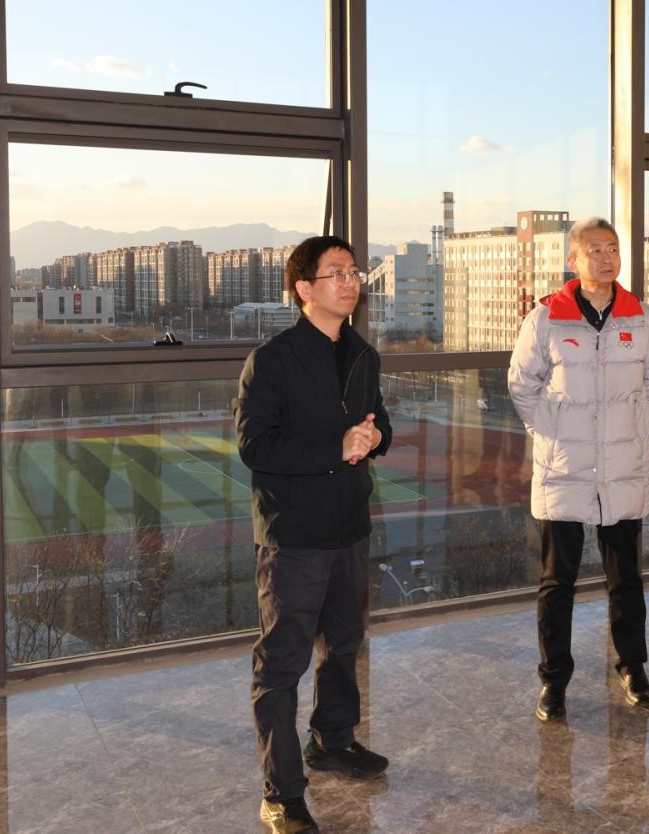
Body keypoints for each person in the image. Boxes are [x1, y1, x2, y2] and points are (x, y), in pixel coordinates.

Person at [235, 235, 393, 833]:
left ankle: (333, 740)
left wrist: (375, 437)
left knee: (344, 645)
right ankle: (281, 792)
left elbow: (381, 423)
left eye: (354, 272)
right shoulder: (272, 360)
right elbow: (256, 446)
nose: (351, 282)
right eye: (336, 273)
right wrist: (337, 447)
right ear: (304, 289)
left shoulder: (362, 354)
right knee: (281, 665)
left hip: (349, 526)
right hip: (294, 536)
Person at [508, 216, 649, 721]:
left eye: (612, 248)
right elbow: (522, 385)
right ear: (573, 260)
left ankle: (633, 667)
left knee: (627, 580)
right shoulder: (546, 318)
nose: (605, 257)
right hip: (564, 468)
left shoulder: (641, 317)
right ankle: (553, 680)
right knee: (558, 583)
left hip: (621, 468)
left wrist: (628, 427)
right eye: (594, 250)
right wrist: (549, 431)